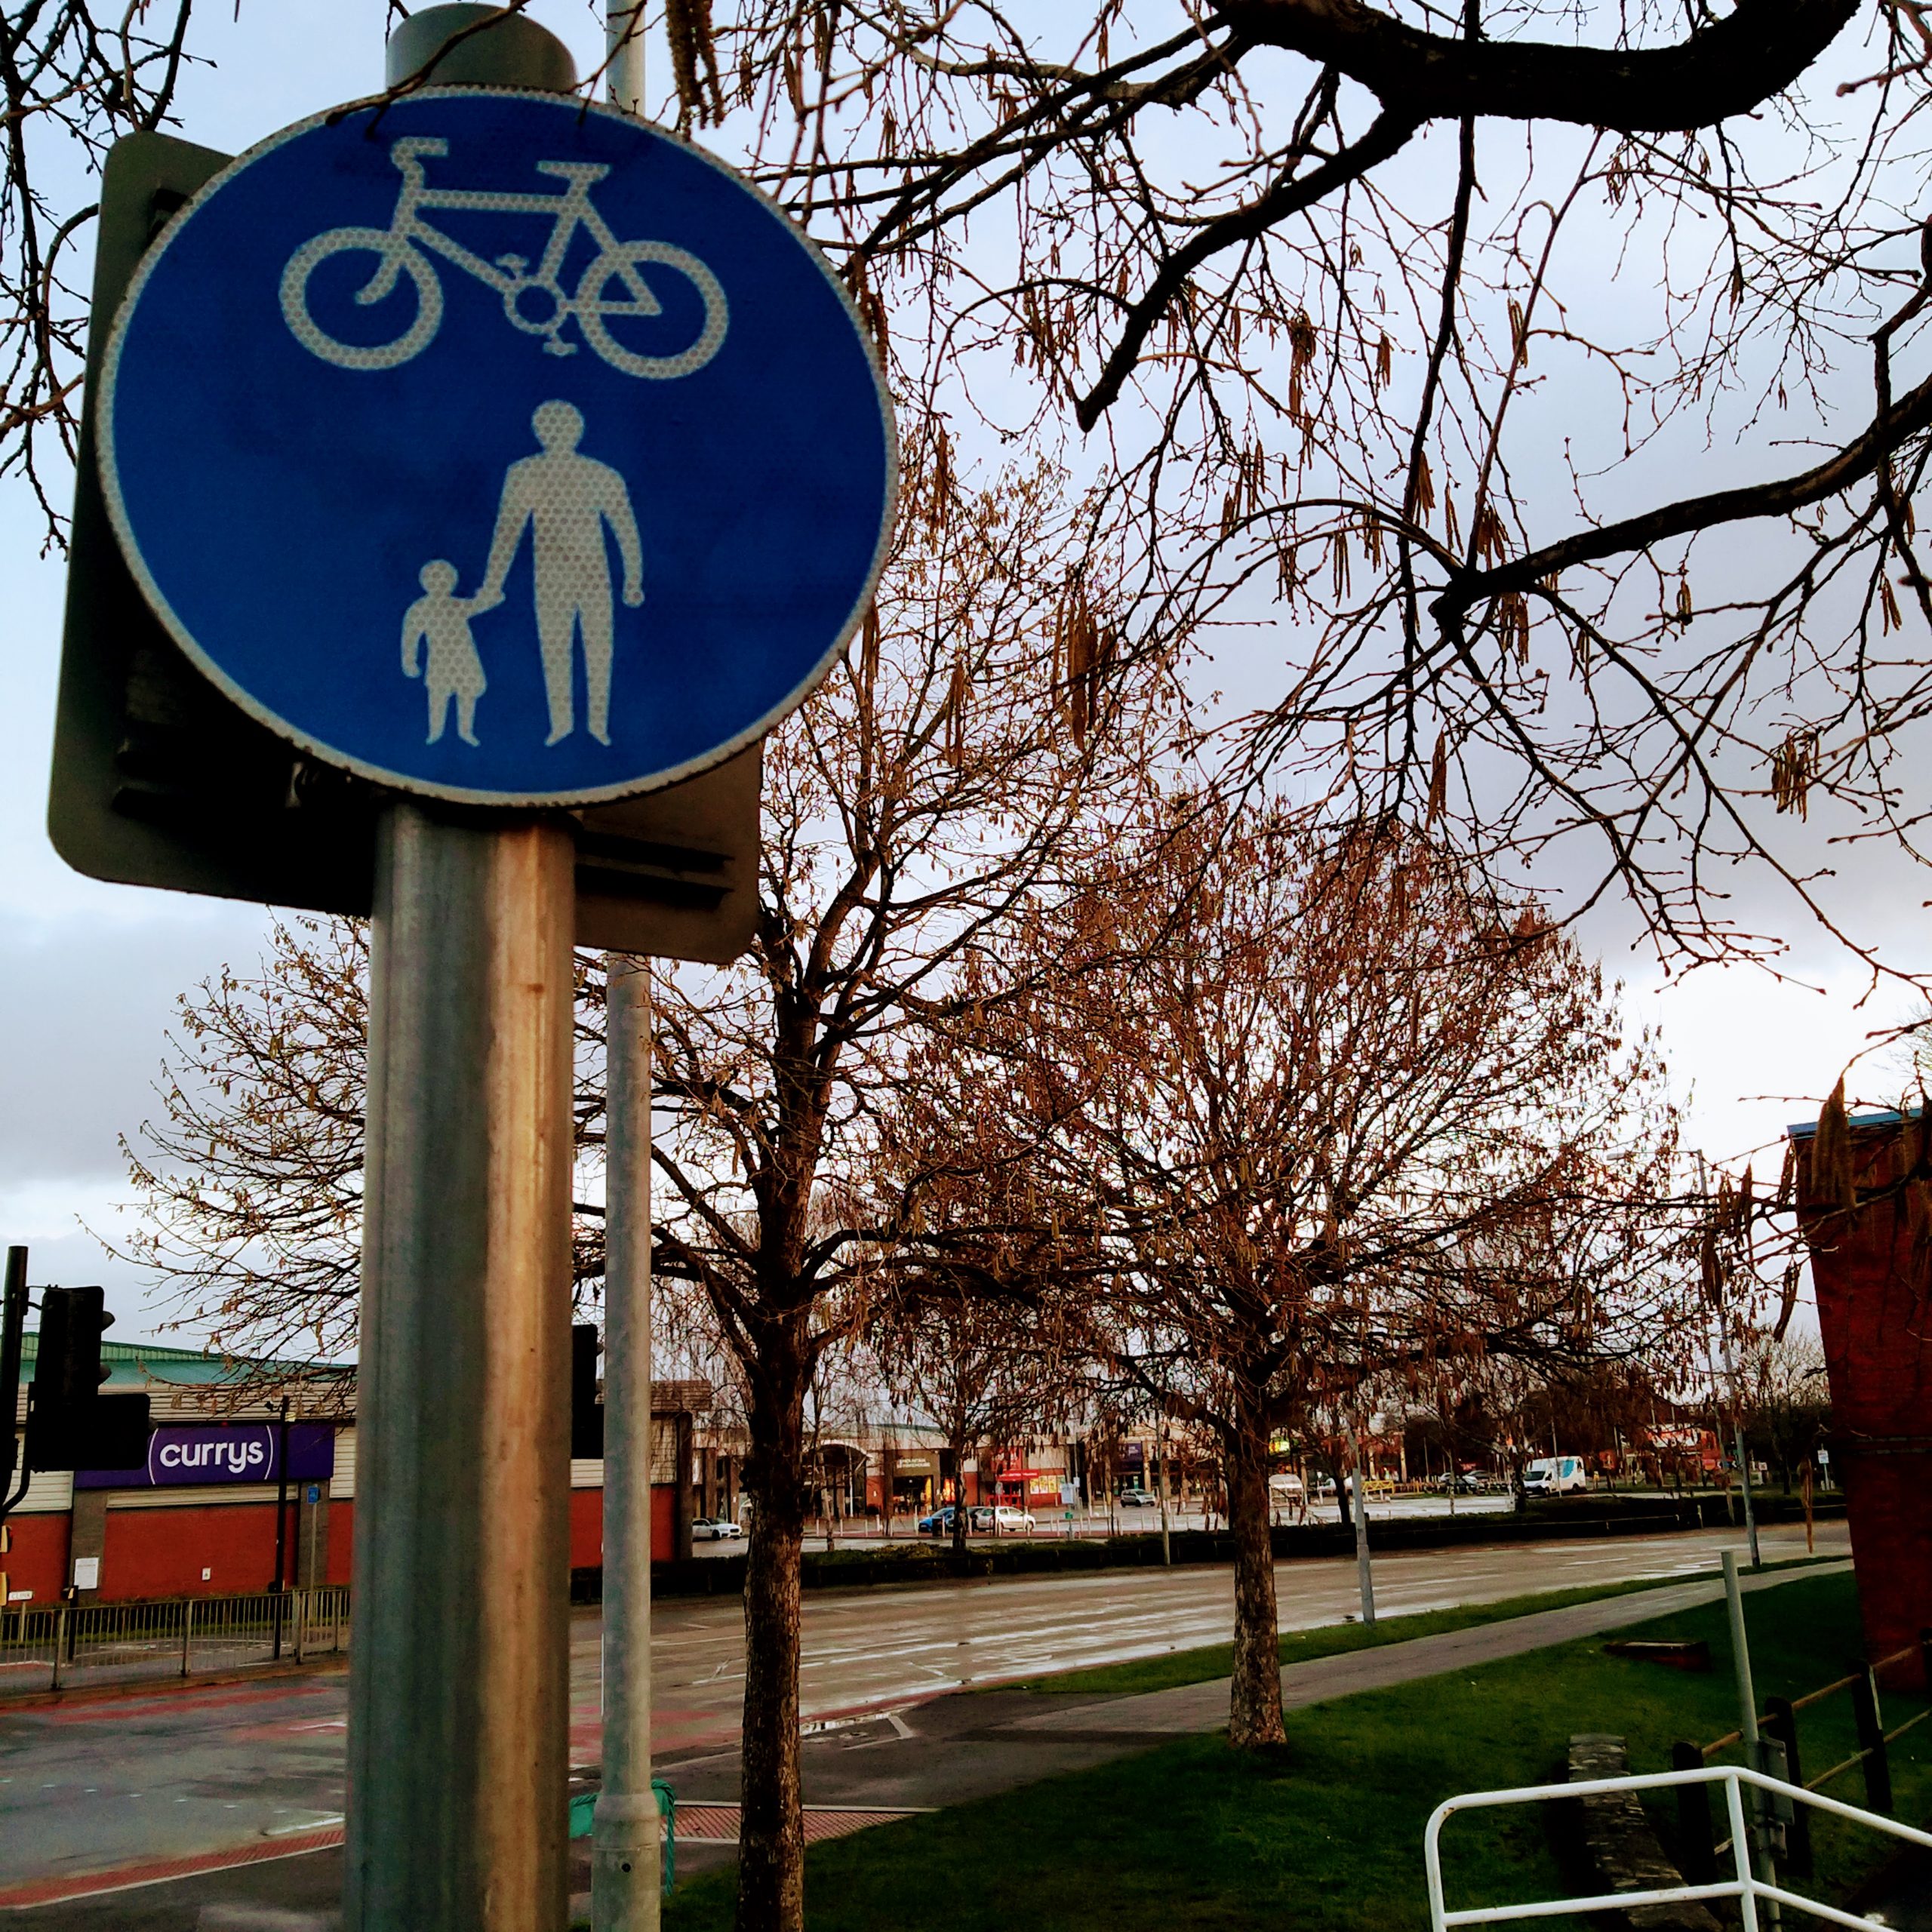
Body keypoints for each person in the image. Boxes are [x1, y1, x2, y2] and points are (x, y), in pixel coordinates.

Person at [475, 398, 643, 746]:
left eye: (564, 427)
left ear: (578, 430)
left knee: (599, 649)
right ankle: (560, 725)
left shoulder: (601, 474)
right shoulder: (524, 473)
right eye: (549, 427)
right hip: (550, 579)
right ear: (538, 432)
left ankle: (598, 724)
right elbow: (507, 532)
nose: (557, 434)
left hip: (595, 578)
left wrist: (633, 580)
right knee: (555, 650)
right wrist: (492, 585)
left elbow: (625, 529)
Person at [400, 559, 487, 745]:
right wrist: (409, 661)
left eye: (445, 580)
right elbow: (410, 637)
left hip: (465, 657)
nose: (440, 584)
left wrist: (490, 596)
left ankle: (466, 732)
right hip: (440, 659)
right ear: (425, 582)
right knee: (438, 695)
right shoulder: (419, 609)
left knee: (467, 693)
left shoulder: (456, 605)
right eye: (434, 579)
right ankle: (435, 733)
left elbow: (478, 605)